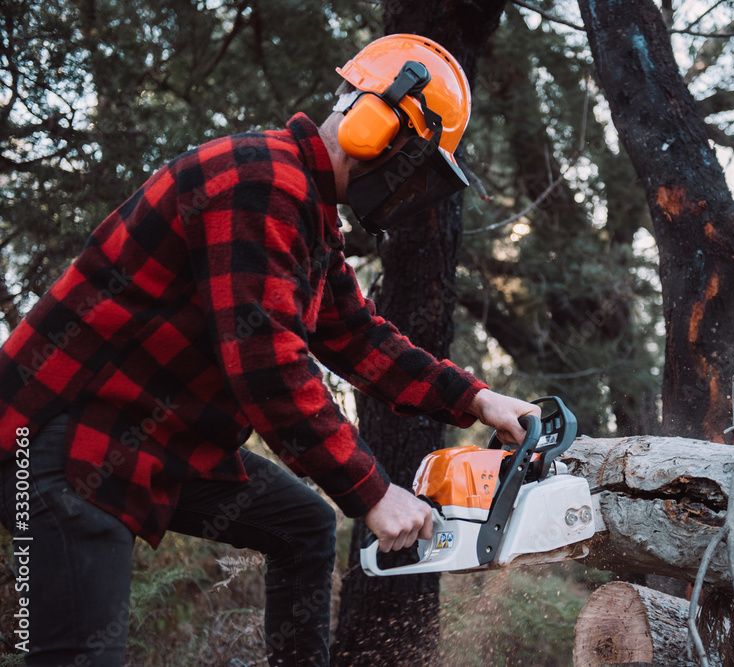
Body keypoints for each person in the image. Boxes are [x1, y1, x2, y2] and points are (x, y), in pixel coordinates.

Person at [0, 34, 538, 666]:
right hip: (65, 440)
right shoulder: (258, 180)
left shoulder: (309, 215)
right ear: (375, 127)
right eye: (413, 163)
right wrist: (372, 491)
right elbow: (267, 366)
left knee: (302, 527)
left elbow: (359, 337)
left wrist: (479, 399)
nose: (410, 186)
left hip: (152, 443)